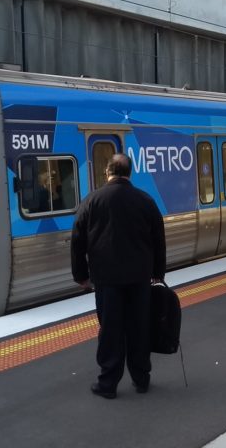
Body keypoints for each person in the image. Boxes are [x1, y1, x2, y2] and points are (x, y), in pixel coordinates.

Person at [71, 154, 166, 399]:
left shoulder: (92, 200)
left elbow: (77, 241)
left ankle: (108, 383)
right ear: (129, 172)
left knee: (110, 330)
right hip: (139, 279)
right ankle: (141, 378)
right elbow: (158, 240)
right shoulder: (145, 201)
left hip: (107, 280)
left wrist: (81, 275)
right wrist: (158, 273)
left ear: (107, 172)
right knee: (139, 328)